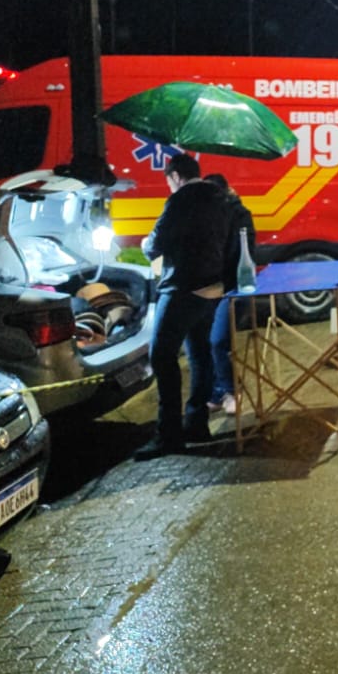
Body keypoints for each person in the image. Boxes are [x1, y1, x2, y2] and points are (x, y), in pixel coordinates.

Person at [134, 153, 234, 461]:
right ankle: (196, 423)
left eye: (169, 183)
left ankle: (169, 435)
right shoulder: (222, 197)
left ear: (175, 177)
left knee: (162, 355)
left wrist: (144, 244)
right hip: (213, 288)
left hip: (182, 288)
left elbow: (156, 244)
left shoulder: (180, 200)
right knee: (199, 353)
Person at [203, 171, 256, 415]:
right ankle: (217, 392)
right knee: (204, 342)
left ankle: (232, 391)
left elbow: (235, 256)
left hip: (235, 286)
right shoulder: (207, 217)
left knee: (218, 340)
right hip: (211, 287)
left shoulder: (239, 216)